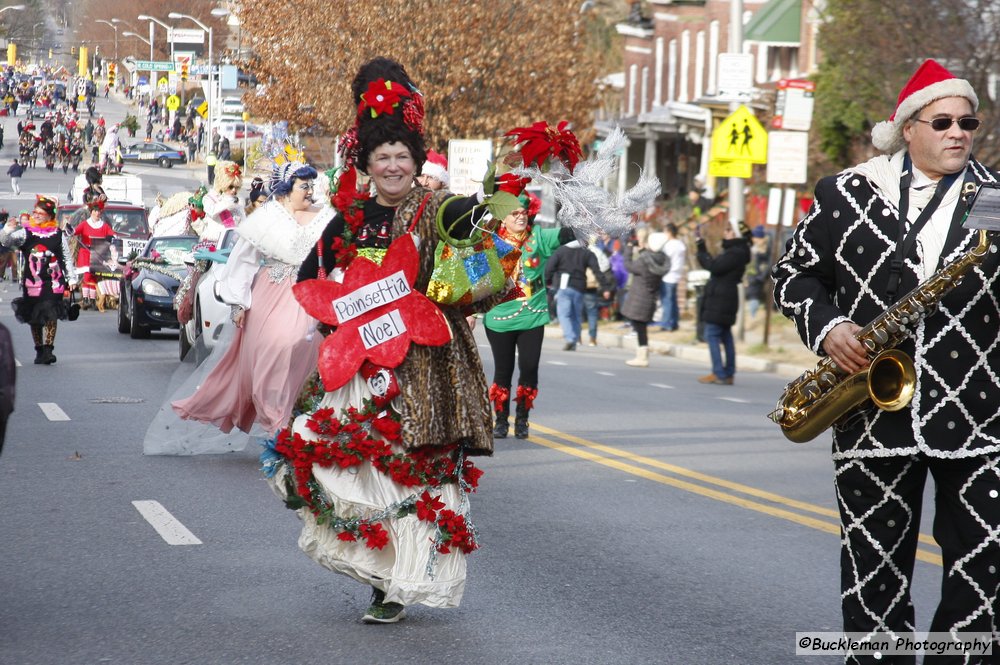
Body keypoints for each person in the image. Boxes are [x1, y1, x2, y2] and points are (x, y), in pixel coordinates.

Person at [772, 59, 1000, 663]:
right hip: (872, 414)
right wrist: (830, 328)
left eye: (968, 122)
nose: (958, 132)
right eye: (943, 120)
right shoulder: (845, 193)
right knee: (874, 572)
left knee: (984, 567)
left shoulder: (995, 200)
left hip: (978, 417)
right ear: (908, 127)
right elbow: (792, 276)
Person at [267, 57, 498, 625]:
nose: (393, 166)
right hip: (358, 372)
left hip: (425, 369)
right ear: (366, 165)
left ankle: (400, 585)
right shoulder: (346, 222)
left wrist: (491, 218)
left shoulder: (439, 209)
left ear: (416, 163)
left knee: (410, 473)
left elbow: (483, 257)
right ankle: (379, 571)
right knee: (350, 474)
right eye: (382, 157)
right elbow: (309, 284)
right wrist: (347, 325)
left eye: (402, 157)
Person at [169, 161, 331, 438]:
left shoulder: (325, 216)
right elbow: (242, 261)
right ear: (286, 189)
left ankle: (296, 415)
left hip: (309, 295)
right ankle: (276, 422)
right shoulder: (266, 218)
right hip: (271, 295)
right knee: (269, 357)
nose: (309, 192)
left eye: (311, 186)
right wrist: (239, 304)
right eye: (304, 186)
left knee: (305, 352)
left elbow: (335, 257)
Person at [484, 192, 574, 439]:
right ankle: (501, 421)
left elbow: (568, 234)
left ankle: (522, 419)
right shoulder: (488, 243)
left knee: (529, 368)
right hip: (499, 318)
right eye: (515, 213)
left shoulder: (539, 239)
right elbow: (474, 282)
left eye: (524, 213)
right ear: (502, 219)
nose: (521, 217)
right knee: (503, 371)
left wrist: (580, 212)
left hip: (532, 316)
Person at [0, 195, 76, 365]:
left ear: (49, 216)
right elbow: (5, 242)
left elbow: (65, 257)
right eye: (35, 212)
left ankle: (49, 350)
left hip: (53, 282)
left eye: (40, 213)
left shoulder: (57, 234)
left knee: (51, 313)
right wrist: (7, 229)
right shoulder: (26, 233)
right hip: (32, 282)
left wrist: (71, 278)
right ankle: (39, 350)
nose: (36, 215)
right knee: (35, 316)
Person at [695, 222, 749, 384]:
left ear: (736, 234)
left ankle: (720, 373)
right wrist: (701, 245)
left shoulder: (735, 253)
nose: (725, 233)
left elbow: (714, 267)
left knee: (712, 334)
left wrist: (701, 248)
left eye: (728, 230)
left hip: (721, 298)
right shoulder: (736, 251)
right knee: (725, 335)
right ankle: (726, 372)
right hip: (724, 297)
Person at [545, 239, 613, 351]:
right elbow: (597, 271)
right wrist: (605, 287)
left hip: (564, 287)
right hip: (579, 287)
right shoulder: (587, 253)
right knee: (576, 315)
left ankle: (570, 338)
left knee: (564, 315)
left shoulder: (561, 251)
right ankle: (575, 339)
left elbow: (549, 268)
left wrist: (548, 282)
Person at [621, 228, 671, 367]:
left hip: (639, 298)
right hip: (650, 298)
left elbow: (628, 265)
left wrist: (629, 248)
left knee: (639, 326)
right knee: (640, 326)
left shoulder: (644, 261)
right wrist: (642, 250)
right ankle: (642, 354)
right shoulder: (661, 259)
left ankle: (642, 357)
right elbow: (649, 259)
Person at [72, 199, 116, 311]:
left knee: (93, 276)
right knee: (87, 275)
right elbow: (75, 231)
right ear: (91, 212)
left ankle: (91, 299)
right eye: (95, 211)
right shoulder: (85, 224)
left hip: (97, 254)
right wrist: (69, 230)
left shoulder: (104, 226)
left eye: (99, 211)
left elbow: (112, 234)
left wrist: (111, 238)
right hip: (85, 252)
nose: (97, 213)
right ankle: (86, 299)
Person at [657, 222, 687, 331]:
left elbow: (664, 260)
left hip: (668, 275)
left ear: (669, 232)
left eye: (665, 231)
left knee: (667, 301)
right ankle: (674, 322)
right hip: (676, 275)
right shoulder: (680, 244)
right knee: (673, 301)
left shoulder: (669, 245)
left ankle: (666, 324)